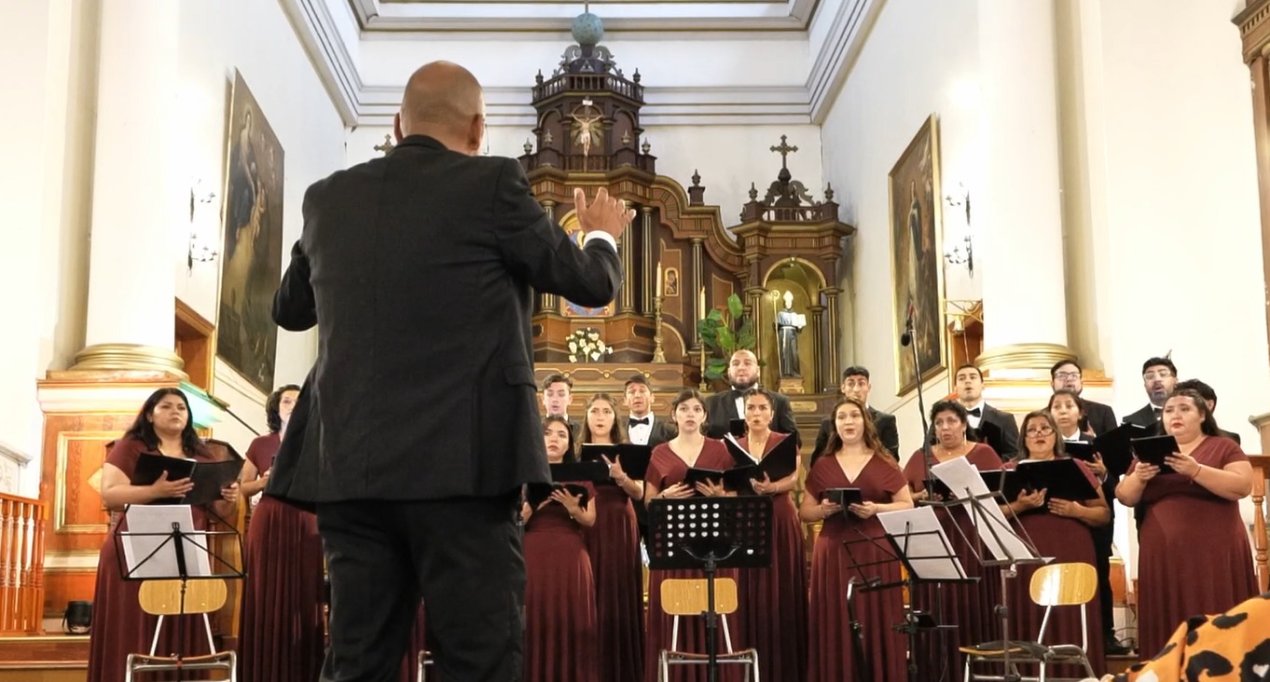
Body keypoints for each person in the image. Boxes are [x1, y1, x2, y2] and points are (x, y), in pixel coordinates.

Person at [267, 60, 630, 681]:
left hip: (353, 468)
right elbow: (591, 284)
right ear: (478, 129)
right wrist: (600, 235)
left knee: (357, 663)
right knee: (479, 661)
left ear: (397, 125)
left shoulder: (328, 197)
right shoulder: (494, 184)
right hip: (466, 470)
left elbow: (289, 310)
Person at [86, 388, 241, 682]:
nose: (175, 412)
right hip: (135, 547)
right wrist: (155, 491)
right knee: (135, 625)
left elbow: (220, 512)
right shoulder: (131, 447)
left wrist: (229, 497)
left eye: (181, 407)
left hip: (185, 546)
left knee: (182, 622)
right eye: (166, 406)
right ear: (149, 414)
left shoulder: (202, 454)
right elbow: (110, 495)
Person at [1115, 388, 1256, 658]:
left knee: (1215, 612)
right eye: (1169, 410)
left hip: (1214, 552)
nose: (1175, 415)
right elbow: (1125, 497)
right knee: (1167, 615)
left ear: (1202, 415)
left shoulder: (1224, 446)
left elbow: (1242, 485)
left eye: (1184, 409)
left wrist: (1196, 470)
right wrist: (1139, 477)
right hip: (1163, 556)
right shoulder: (1148, 453)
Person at [802, 397, 911, 681]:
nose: (848, 422)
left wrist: (876, 509)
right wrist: (823, 510)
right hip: (833, 551)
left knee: (874, 617)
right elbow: (804, 511)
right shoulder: (823, 464)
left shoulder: (884, 461)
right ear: (834, 425)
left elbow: (907, 504)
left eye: (854, 415)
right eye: (841, 417)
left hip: (874, 549)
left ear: (865, 422)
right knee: (836, 616)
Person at [642, 389, 745, 682]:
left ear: (704, 416)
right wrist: (665, 496)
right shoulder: (659, 452)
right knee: (676, 604)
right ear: (674, 415)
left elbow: (736, 494)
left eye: (696, 409)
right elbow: (648, 501)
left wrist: (719, 496)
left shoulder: (722, 450)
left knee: (715, 605)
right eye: (684, 409)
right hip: (674, 542)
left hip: (715, 540)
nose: (690, 414)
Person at [1001, 410, 1109, 674]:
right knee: (1029, 614)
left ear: (1055, 435)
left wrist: (1077, 510)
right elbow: (991, 515)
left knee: (1069, 613)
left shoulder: (1076, 466)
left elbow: (1103, 514)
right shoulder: (1008, 470)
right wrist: (1020, 506)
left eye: (1045, 428)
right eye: (1032, 429)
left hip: (1071, 549)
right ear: (1023, 438)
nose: (1039, 433)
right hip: (1025, 553)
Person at [902, 399, 1004, 676]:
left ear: (963, 424)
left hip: (972, 538)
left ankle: (978, 673)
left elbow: (1000, 494)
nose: (945, 428)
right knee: (937, 605)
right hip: (933, 538)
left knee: (971, 604)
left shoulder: (983, 453)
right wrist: (921, 495)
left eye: (951, 421)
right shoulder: (921, 456)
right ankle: (936, 672)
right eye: (939, 423)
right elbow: (904, 495)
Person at [238, 384, 324, 682]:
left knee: (305, 590)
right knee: (265, 590)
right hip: (270, 518)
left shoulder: (318, 440)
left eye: (299, 401)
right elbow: (242, 489)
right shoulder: (261, 444)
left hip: (306, 518)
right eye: (286, 401)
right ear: (276, 408)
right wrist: (265, 482)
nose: (292, 405)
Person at [735, 387, 806, 682]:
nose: (756, 413)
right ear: (744, 413)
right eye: (751, 408)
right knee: (748, 587)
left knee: (782, 583)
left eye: (762, 408)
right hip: (746, 518)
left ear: (772, 413)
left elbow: (795, 476)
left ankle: (785, 665)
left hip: (779, 515)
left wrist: (772, 488)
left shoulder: (785, 442)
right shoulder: (734, 445)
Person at [1048, 389, 1125, 655]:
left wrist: (1103, 474)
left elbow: (1116, 488)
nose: (1063, 411)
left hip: (1094, 520)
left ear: (1080, 412)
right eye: (1057, 406)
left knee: (1099, 574)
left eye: (1069, 406)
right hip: (1058, 520)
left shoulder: (1097, 445)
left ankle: (1105, 635)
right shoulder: (1045, 445)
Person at [522, 416, 598, 682]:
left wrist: (572, 508)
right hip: (533, 553)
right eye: (548, 433)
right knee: (534, 618)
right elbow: (515, 521)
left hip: (570, 555)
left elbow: (590, 520)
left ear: (569, 445)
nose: (554, 438)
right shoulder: (525, 473)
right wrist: (534, 506)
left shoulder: (581, 475)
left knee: (571, 620)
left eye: (561, 435)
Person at [578, 393, 644, 682]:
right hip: (587, 521)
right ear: (586, 417)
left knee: (618, 587)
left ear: (615, 418)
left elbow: (639, 493)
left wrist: (621, 476)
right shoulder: (577, 453)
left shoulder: (627, 452)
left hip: (620, 522)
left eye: (606, 411)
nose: (600, 416)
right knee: (590, 587)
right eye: (595, 411)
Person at [703, 349, 799, 445]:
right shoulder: (712, 403)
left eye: (747, 363)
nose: (741, 368)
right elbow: (702, 441)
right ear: (728, 372)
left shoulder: (779, 401)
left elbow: (794, 441)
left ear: (758, 371)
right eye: (736, 364)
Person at [812, 366, 898, 459]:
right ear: (843, 388)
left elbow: (892, 459)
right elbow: (818, 460)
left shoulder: (885, 421)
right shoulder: (828, 423)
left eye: (861, 384)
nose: (856, 389)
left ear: (868, 387)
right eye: (850, 384)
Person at [954, 364, 1019, 459]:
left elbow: (1015, 455)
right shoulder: (944, 422)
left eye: (973, 377)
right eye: (961, 378)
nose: (967, 381)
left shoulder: (1004, 419)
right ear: (955, 388)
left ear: (982, 385)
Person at [1049, 360, 1117, 435]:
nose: (1069, 379)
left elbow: (1116, 442)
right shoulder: (1044, 415)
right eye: (1062, 376)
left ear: (1081, 382)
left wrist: (1093, 439)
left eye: (1074, 375)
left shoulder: (1103, 412)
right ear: (1052, 383)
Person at [1175, 378, 1242, 443]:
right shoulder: (1171, 438)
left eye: (1185, 407)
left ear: (1210, 405)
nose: (1177, 413)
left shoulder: (1230, 439)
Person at [1121, 356, 1177, 432]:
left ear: (1175, 381)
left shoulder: (1189, 414)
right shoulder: (1130, 422)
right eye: (1150, 376)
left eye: (1163, 374)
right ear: (1145, 385)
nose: (1157, 379)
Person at [624, 374, 675, 447]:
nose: (637, 395)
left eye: (642, 391)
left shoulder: (669, 430)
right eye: (632, 392)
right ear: (625, 400)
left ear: (652, 397)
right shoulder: (616, 430)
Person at [543, 373, 584, 441]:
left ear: (570, 399)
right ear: (543, 399)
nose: (555, 399)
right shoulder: (534, 428)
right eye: (550, 394)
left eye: (561, 395)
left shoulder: (581, 431)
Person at [775, 290, 806, 377]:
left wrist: (800, 326)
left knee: (794, 353)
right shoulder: (780, 314)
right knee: (784, 352)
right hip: (784, 334)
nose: (788, 304)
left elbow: (799, 329)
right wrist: (776, 323)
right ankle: (784, 373)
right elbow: (776, 327)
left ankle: (795, 372)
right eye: (787, 302)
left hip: (792, 334)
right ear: (784, 303)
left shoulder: (795, 314)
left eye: (790, 302)